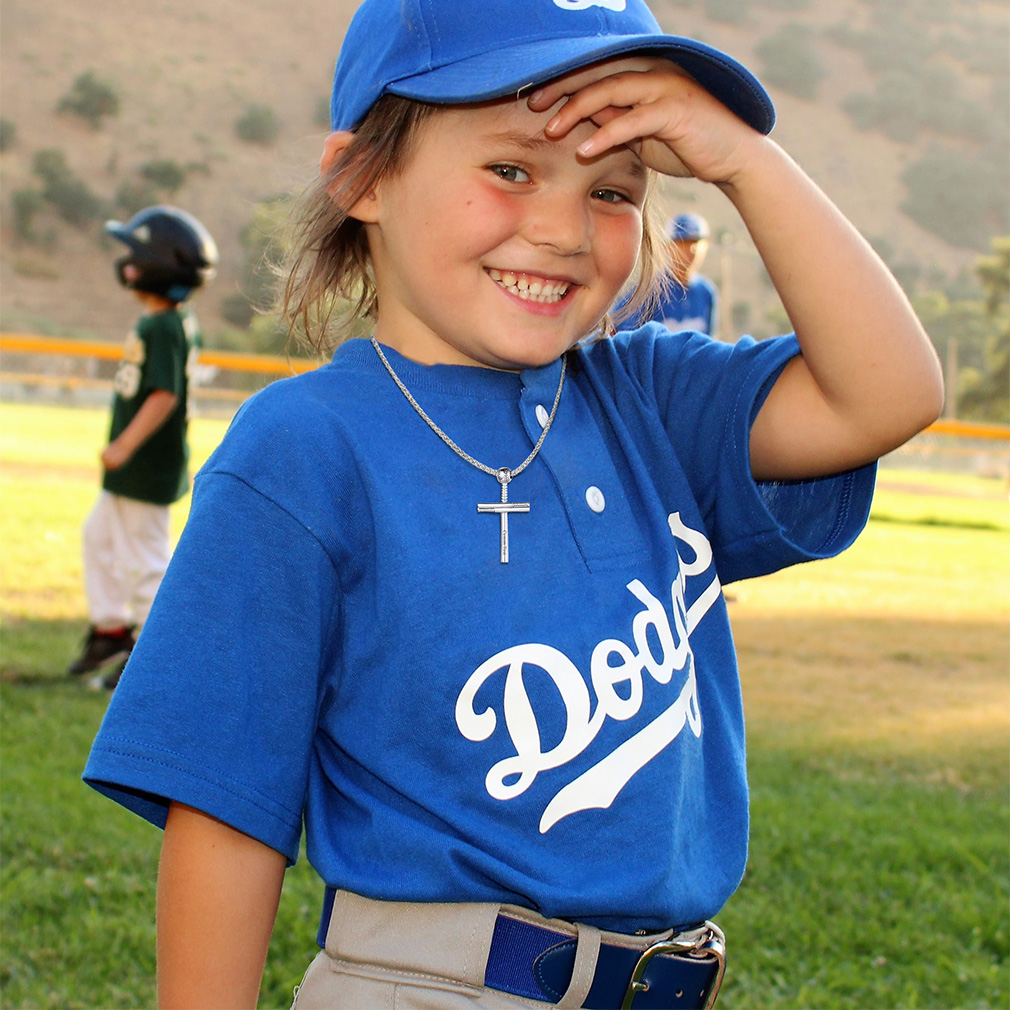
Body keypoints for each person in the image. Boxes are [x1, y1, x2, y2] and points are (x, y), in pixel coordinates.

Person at [83, 0, 943, 1005]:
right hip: (427, 980)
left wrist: (745, 161)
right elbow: (227, 812)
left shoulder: (647, 399)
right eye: (510, 168)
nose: (561, 229)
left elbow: (889, 392)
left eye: (613, 188)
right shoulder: (306, 445)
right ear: (362, 176)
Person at [67, 205, 217, 690]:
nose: (126, 263)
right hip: (135, 471)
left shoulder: (165, 327)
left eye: (135, 253)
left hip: (145, 467)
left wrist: (125, 446)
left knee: (146, 561)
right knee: (99, 537)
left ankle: (155, 654)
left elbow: (164, 394)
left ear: (157, 266)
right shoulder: (168, 321)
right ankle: (112, 630)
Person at [626, 212, 719, 335]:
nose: (691, 249)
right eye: (683, 242)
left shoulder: (706, 292)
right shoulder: (650, 290)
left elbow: (707, 344)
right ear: (668, 246)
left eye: (696, 242)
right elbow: (623, 337)